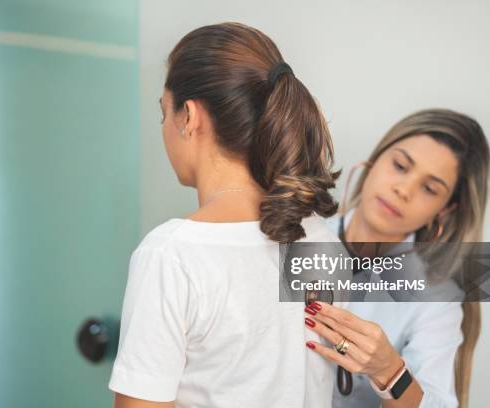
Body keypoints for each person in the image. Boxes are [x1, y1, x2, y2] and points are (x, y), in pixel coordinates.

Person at [108, 22, 344, 408]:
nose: (164, 128)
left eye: (163, 112)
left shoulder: (173, 255)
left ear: (190, 117)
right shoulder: (320, 238)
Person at [304, 109, 490, 407]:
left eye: (429, 189)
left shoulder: (437, 300)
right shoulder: (295, 237)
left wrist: (389, 371)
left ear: (445, 209)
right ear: (376, 158)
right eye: (401, 165)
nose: (403, 190)